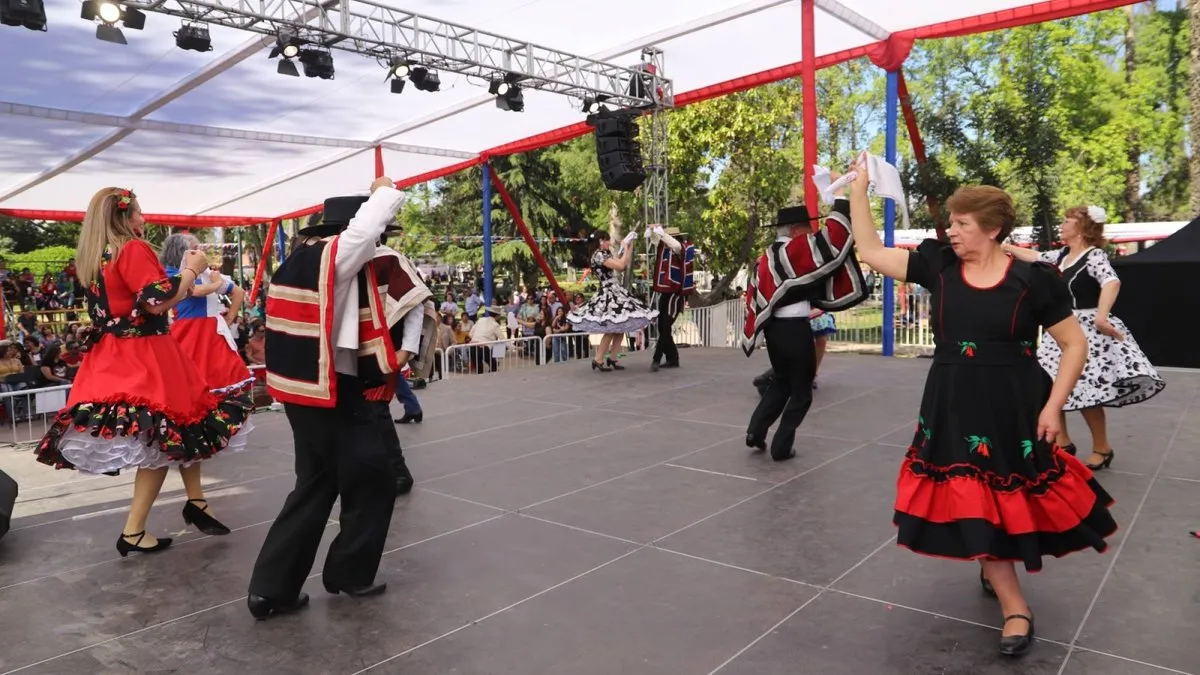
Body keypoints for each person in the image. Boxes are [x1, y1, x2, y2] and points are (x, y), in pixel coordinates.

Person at [846, 163, 1118, 657]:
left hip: (1015, 401)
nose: (950, 231)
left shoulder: (1034, 280)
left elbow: (1073, 344)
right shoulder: (940, 266)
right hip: (953, 400)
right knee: (970, 488)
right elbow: (868, 251)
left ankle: (993, 558)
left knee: (1009, 490)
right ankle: (1016, 606)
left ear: (992, 229)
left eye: (961, 223)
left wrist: (1055, 408)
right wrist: (859, 192)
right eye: (951, 222)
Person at [34, 187, 252, 555]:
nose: (144, 219)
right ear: (124, 216)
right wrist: (190, 272)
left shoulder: (94, 256)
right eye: (138, 213)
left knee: (177, 430)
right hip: (146, 354)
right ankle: (138, 527)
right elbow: (157, 301)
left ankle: (187, 505)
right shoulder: (131, 249)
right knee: (167, 434)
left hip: (111, 354)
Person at [248, 177, 405, 620]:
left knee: (315, 485)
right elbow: (363, 232)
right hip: (332, 390)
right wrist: (383, 193)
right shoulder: (334, 259)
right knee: (375, 478)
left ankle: (271, 590)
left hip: (306, 391)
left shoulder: (302, 259)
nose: (377, 244)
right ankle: (350, 573)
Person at [1002, 206, 1165, 470]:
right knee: (1052, 386)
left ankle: (1102, 447)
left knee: (1086, 393)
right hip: (1062, 328)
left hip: (1087, 330)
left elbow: (1111, 282)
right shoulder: (1063, 255)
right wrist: (1003, 248)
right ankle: (1062, 443)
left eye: (1068, 220)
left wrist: (1102, 317)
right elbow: (1036, 256)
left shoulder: (1094, 255)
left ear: (1082, 227)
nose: (1062, 224)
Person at [742, 192, 868, 461]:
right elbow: (832, 243)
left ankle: (755, 431)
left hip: (774, 332)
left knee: (781, 382)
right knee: (802, 391)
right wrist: (843, 201)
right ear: (796, 230)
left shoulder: (766, 257)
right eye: (809, 228)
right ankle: (781, 447)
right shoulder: (793, 251)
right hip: (796, 331)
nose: (812, 233)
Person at [362, 222, 432, 496]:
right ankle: (382, 470)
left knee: (375, 410)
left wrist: (405, 351)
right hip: (353, 350)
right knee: (364, 414)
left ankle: (398, 473)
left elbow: (414, 302)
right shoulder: (339, 260)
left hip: (384, 349)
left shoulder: (390, 259)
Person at [567, 230, 658, 371]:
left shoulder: (603, 254)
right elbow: (621, 266)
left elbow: (623, 263)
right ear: (600, 241)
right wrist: (626, 247)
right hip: (609, 292)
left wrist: (629, 245)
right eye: (607, 240)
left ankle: (612, 358)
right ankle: (598, 359)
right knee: (610, 329)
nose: (609, 242)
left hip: (614, 290)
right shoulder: (598, 255)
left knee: (620, 326)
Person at [646, 225, 695, 371]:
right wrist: (652, 231)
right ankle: (673, 358)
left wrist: (661, 234)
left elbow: (675, 245)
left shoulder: (681, 248)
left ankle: (657, 358)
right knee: (662, 326)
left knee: (666, 325)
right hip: (665, 291)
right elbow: (655, 241)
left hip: (675, 293)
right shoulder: (665, 248)